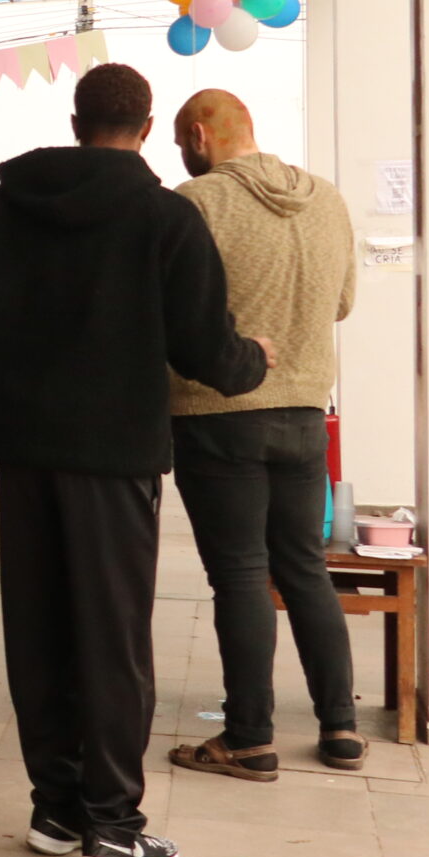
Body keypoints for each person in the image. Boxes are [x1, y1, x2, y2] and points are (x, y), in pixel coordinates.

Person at [0, 64, 272, 857]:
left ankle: (57, 805)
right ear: (147, 129)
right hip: (113, 459)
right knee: (112, 638)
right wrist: (253, 361)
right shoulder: (165, 216)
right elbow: (203, 347)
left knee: (39, 629)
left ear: (75, 121)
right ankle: (113, 825)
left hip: (27, 453)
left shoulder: (10, 207)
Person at [165, 89, 362, 779]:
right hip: (307, 412)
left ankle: (249, 737)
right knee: (305, 566)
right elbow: (343, 301)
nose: (179, 156)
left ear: (198, 133)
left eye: (179, 141)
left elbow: (176, 315)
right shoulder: (328, 199)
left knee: (242, 573)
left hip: (218, 413)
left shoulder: (198, 202)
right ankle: (340, 727)